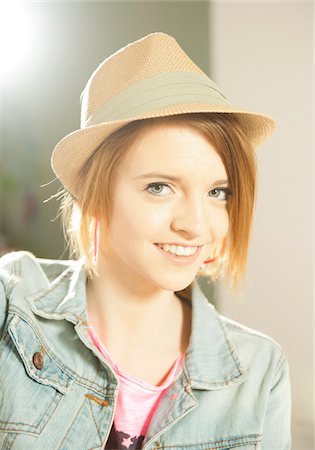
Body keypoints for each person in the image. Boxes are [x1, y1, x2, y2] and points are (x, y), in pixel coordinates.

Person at [0, 32, 291, 449]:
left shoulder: (260, 371)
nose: (195, 224)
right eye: (159, 187)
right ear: (94, 192)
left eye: (217, 192)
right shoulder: (13, 306)